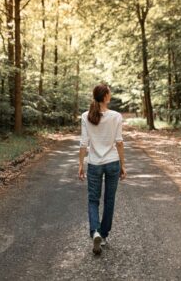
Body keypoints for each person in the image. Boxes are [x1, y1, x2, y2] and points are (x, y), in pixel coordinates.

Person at [78, 84, 127, 255]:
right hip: (112, 162)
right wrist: (123, 164)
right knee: (109, 199)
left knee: (93, 200)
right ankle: (104, 235)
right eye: (110, 92)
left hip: (94, 164)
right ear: (105, 96)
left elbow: (84, 144)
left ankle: (95, 232)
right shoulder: (116, 116)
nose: (110, 94)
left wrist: (80, 165)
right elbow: (119, 142)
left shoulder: (86, 116)